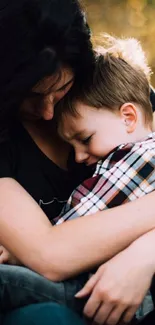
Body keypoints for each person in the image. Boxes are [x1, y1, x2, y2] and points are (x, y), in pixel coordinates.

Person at [0, 1, 155, 324]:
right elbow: (50, 254)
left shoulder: (107, 90)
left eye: (60, 89)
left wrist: (144, 255)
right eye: (27, 96)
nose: (47, 112)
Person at [55, 37, 155, 322]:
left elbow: (77, 228)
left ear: (128, 118)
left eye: (85, 139)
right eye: (71, 147)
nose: (78, 157)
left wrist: (22, 248)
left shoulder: (138, 156)